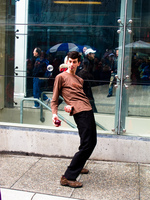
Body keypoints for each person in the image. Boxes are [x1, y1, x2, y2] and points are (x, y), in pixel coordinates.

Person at [51, 51, 97, 188]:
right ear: (67, 61)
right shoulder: (60, 77)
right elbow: (54, 99)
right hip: (80, 113)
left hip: (88, 110)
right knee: (88, 144)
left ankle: (78, 165)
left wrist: (70, 105)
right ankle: (68, 177)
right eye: (70, 61)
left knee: (89, 142)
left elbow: (78, 96)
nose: (72, 64)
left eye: (74, 62)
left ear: (78, 63)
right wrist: (55, 114)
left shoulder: (79, 79)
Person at [78, 48, 98, 112]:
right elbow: (84, 73)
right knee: (89, 98)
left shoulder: (89, 62)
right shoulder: (86, 62)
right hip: (85, 84)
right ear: (89, 54)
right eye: (92, 54)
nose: (94, 55)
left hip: (86, 83)